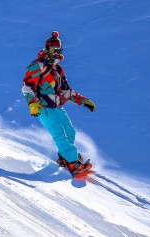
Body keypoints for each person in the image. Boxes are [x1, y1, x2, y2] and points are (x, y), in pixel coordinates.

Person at [22, 31, 96, 175]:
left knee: (70, 131)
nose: (55, 54)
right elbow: (27, 86)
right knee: (59, 133)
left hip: (57, 106)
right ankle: (73, 163)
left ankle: (65, 158)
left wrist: (84, 101)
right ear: (46, 50)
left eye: (58, 51)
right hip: (42, 106)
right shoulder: (37, 66)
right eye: (52, 50)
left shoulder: (58, 69)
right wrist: (32, 103)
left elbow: (66, 91)